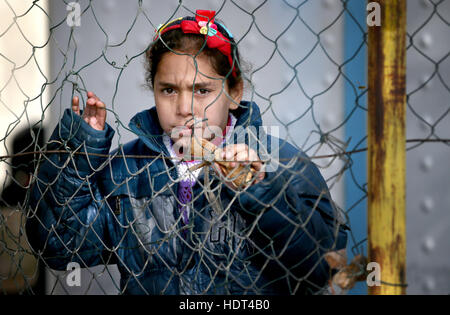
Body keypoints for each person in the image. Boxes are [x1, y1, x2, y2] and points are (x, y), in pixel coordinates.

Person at [25, 10, 348, 295]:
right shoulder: (128, 167)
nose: (184, 109)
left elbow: (320, 266)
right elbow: (60, 246)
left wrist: (260, 191)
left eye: (202, 90)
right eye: (168, 90)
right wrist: (79, 150)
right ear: (153, 89)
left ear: (234, 92)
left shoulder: (277, 161)